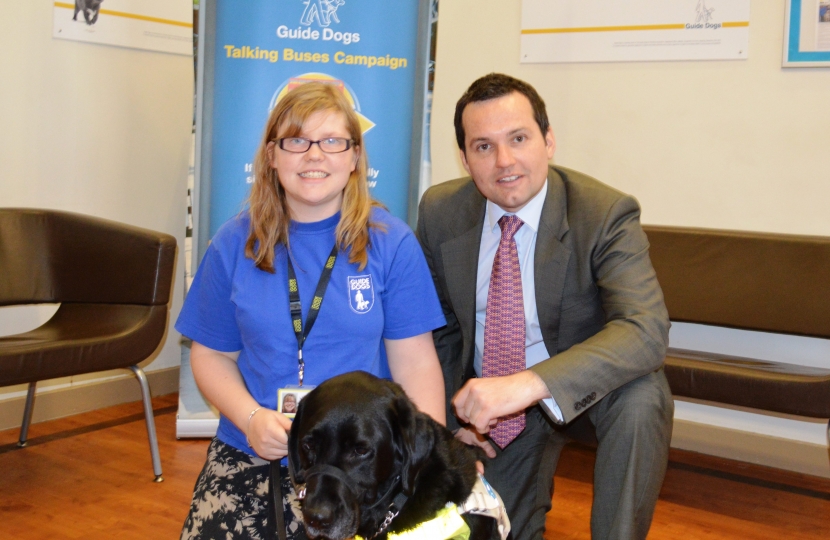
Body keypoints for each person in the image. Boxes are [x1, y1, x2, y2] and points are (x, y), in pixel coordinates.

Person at [176, 82, 447, 540]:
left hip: (359, 462)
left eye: (332, 142)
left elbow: (416, 363)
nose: (314, 155)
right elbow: (209, 355)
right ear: (271, 155)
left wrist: (432, 466)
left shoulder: (392, 243)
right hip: (256, 445)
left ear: (355, 157)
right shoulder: (233, 243)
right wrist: (249, 418)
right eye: (296, 141)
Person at [416, 73, 674, 540]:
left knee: (643, 397)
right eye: (483, 147)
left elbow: (645, 329)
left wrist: (530, 384)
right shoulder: (440, 211)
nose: (505, 161)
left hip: (585, 392)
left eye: (518, 138)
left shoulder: (604, 213)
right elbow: (442, 329)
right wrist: (452, 422)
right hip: (497, 407)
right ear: (464, 158)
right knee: (494, 531)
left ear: (548, 140)